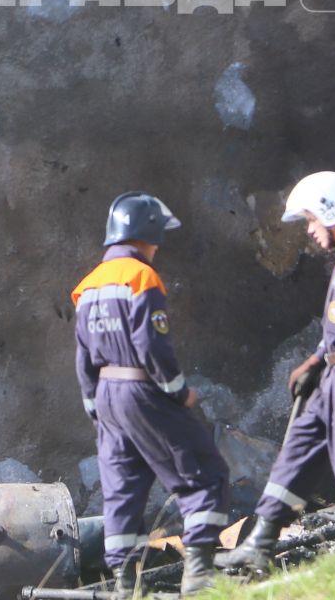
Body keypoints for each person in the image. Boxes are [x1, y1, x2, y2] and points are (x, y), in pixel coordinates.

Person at [222, 171, 335, 576]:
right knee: (297, 452)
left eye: (310, 221)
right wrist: (315, 361)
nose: (309, 230)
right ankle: (259, 545)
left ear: (329, 211)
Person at [73, 194, 231, 596]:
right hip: (140, 388)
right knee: (202, 471)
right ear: (146, 234)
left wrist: (95, 406)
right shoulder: (141, 278)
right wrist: (178, 393)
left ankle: (126, 586)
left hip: (106, 397)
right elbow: (153, 347)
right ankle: (199, 576)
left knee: (122, 490)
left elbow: (83, 357)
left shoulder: (88, 286)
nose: (159, 246)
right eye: (158, 237)